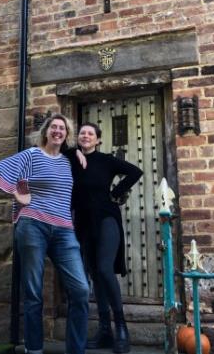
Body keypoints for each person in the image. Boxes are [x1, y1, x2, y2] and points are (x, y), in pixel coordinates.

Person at [0, 113, 89, 354]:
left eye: (62, 129)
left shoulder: (67, 161)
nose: (57, 131)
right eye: (53, 127)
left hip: (64, 229)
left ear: (67, 135)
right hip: (33, 224)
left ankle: (76, 350)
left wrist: (77, 152)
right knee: (34, 291)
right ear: (45, 131)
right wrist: (17, 193)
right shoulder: (32, 155)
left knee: (81, 290)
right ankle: (34, 349)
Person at [68, 122, 143, 354]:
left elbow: (135, 172)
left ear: (98, 140)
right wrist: (74, 151)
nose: (86, 136)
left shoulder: (106, 160)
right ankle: (104, 331)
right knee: (93, 273)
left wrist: (116, 193)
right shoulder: (71, 159)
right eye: (82, 133)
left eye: (91, 134)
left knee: (103, 269)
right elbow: (59, 148)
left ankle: (121, 327)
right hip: (82, 222)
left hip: (106, 218)